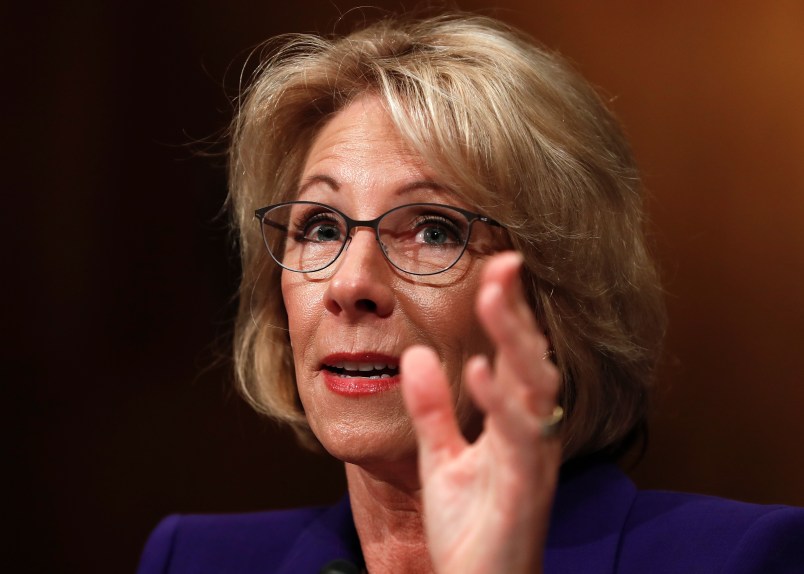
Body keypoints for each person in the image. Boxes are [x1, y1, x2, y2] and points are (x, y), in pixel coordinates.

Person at [137, 12, 804, 574]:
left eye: (432, 229)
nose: (350, 285)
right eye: (321, 224)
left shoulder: (742, 558)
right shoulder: (195, 559)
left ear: (554, 294)